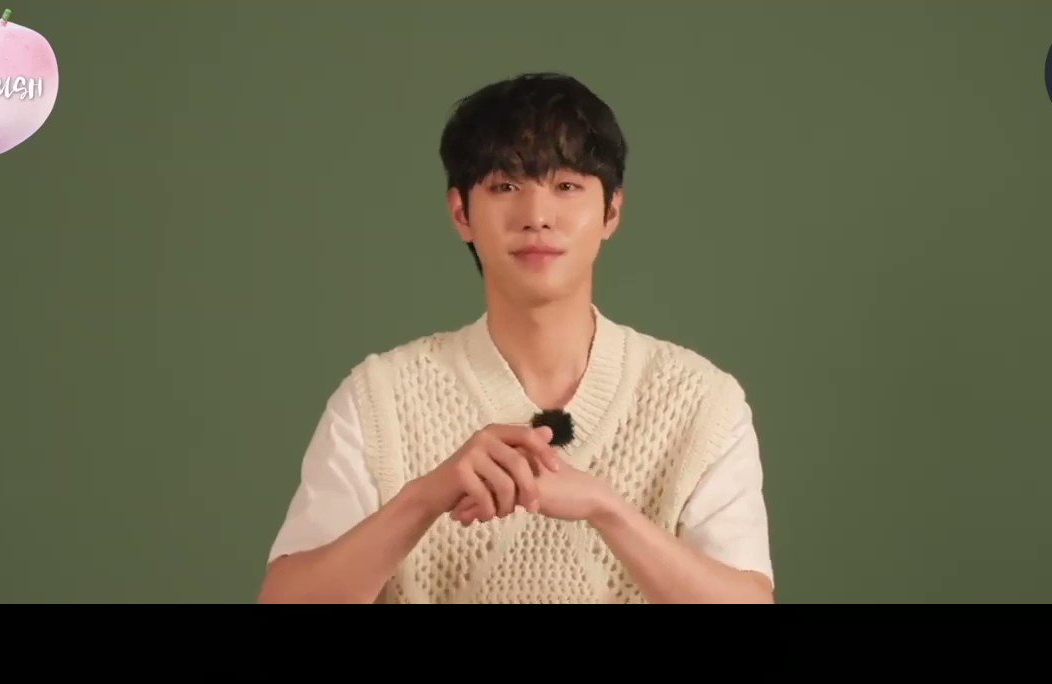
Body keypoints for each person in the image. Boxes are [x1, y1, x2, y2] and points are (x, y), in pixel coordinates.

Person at [258, 72, 775, 604]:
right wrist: (425, 497)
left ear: (611, 211)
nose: (537, 217)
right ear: (462, 213)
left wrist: (608, 510)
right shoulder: (378, 399)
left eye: (566, 186)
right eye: (505, 186)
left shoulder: (700, 401)